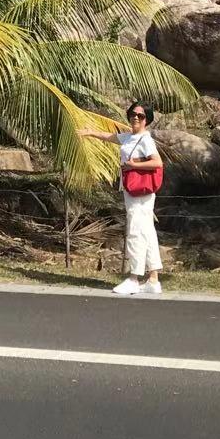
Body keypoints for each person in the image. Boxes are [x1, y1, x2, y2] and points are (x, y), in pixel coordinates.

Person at [79, 102, 165, 296]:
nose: (136, 117)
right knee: (147, 231)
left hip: (140, 192)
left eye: (141, 116)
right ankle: (153, 279)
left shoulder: (145, 139)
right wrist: (89, 132)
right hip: (133, 190)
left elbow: (157, 162)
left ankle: (134, 278)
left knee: (135, 231)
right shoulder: (129, 137)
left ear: (147, 120)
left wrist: (133, 165)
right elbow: (111, 137)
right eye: (133, 114)